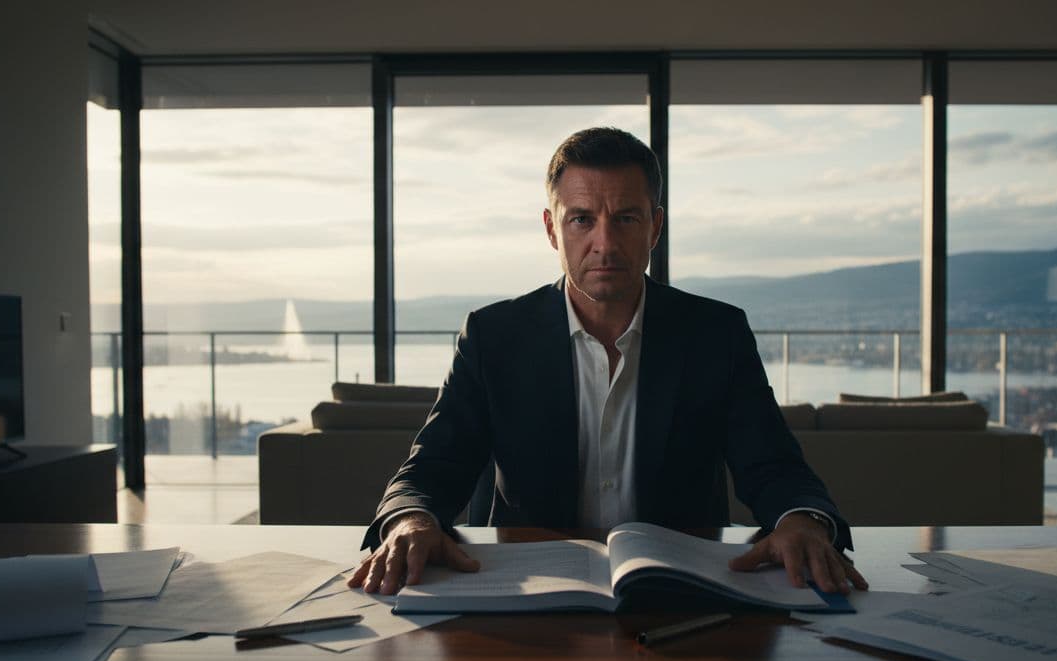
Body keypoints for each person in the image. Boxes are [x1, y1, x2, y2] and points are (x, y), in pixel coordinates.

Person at [348, 127, 867, 597]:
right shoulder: (493, 336)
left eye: (625, 218)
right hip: (526, 592)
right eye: (582, 220)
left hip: (678, 594)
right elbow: (432, 467)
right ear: (553, 229)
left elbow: (773, 465)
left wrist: (803, 520)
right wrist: (410, 520)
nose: (605, 243)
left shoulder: (716, 334)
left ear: (655, 227)